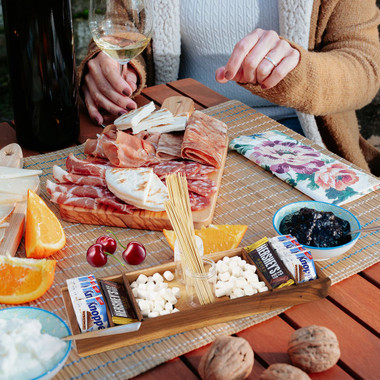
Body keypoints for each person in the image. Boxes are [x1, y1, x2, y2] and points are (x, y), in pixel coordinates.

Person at [78, 0, 380, 176]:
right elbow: (120, 22)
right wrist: (115, 64)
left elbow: (365, 65)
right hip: (179, 133)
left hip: (297, 137)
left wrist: (296, 69)